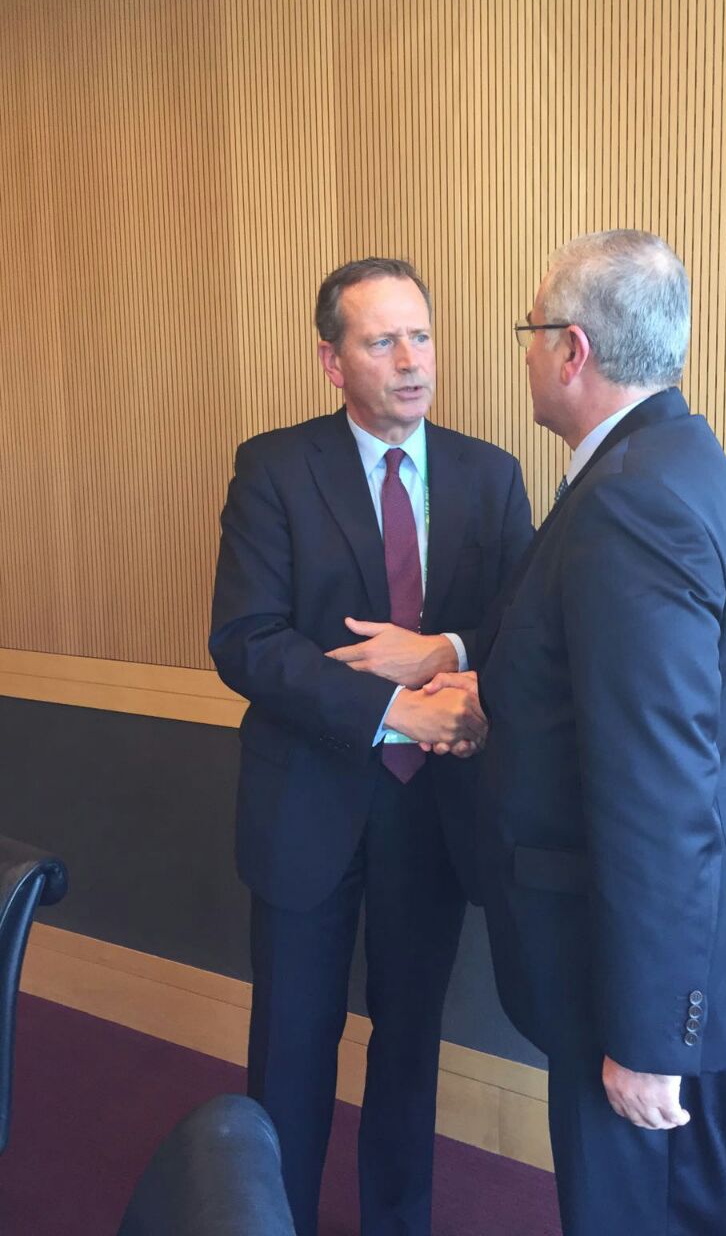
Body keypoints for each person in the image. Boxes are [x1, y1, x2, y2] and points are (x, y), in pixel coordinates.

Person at [432, 229, 726, 1234]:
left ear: (572, 349)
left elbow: (658, 789)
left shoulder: (631, 502)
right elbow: (595, 695)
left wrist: (650, 1037)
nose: (523, 352)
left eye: (529, 331)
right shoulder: (671, 462)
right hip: (702, 952)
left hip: (664, 990)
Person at [209, 257, 533, 1236]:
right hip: (307, 804)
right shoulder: (274, 468)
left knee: (408, 1047)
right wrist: (396, 710)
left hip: (432, 813)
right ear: (332, 360)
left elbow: (522, 625)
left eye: (421, 336)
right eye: (381, 340)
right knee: (292, 1047)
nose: (410, 360)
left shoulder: (489, 474)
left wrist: (447, 652)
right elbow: (247, 640)